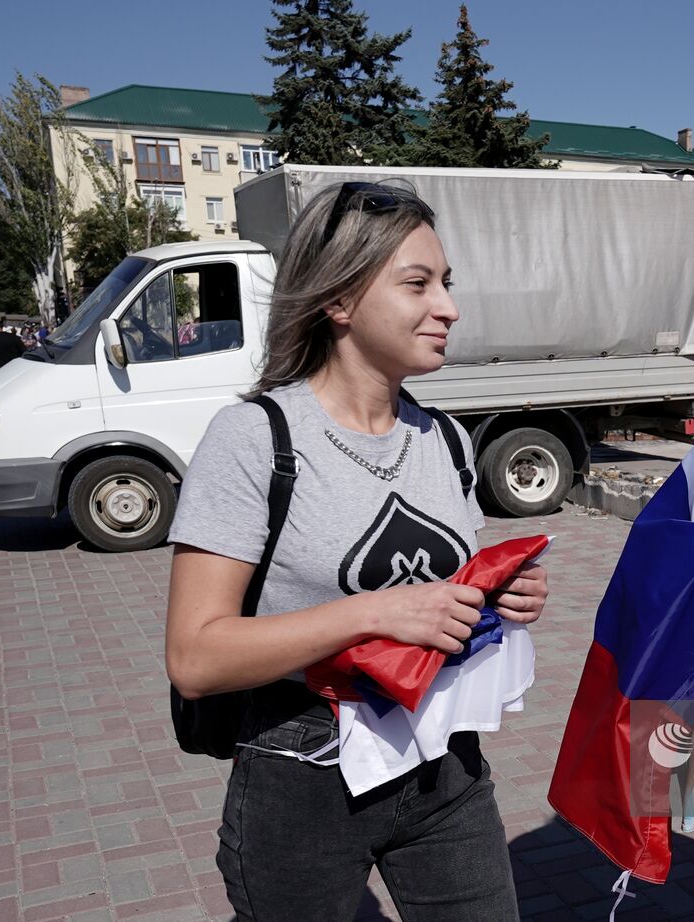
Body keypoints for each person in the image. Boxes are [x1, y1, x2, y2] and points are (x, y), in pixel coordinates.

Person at [165, 181, 549, 921]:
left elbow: (436, 596)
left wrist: (495, 597)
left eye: (446, 283)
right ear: (339, 300)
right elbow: (195, 657)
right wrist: (375, 613)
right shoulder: (254, 439)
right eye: (418, 284)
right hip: (301, 773)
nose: (449, 307)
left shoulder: (445, 439)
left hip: (444, 761)